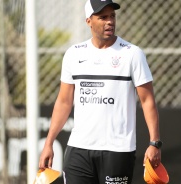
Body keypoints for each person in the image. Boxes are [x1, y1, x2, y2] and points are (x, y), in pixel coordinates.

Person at [38, 0, 162, 183]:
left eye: (112, 16)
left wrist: (155, 143)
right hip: (78, 149)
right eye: (103, 17)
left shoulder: (132, 54)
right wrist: (48, 143)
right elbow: (64, 101)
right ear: (88, 20)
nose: (109, 21)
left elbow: (147, 101)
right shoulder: (74, 54)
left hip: (118, 150)